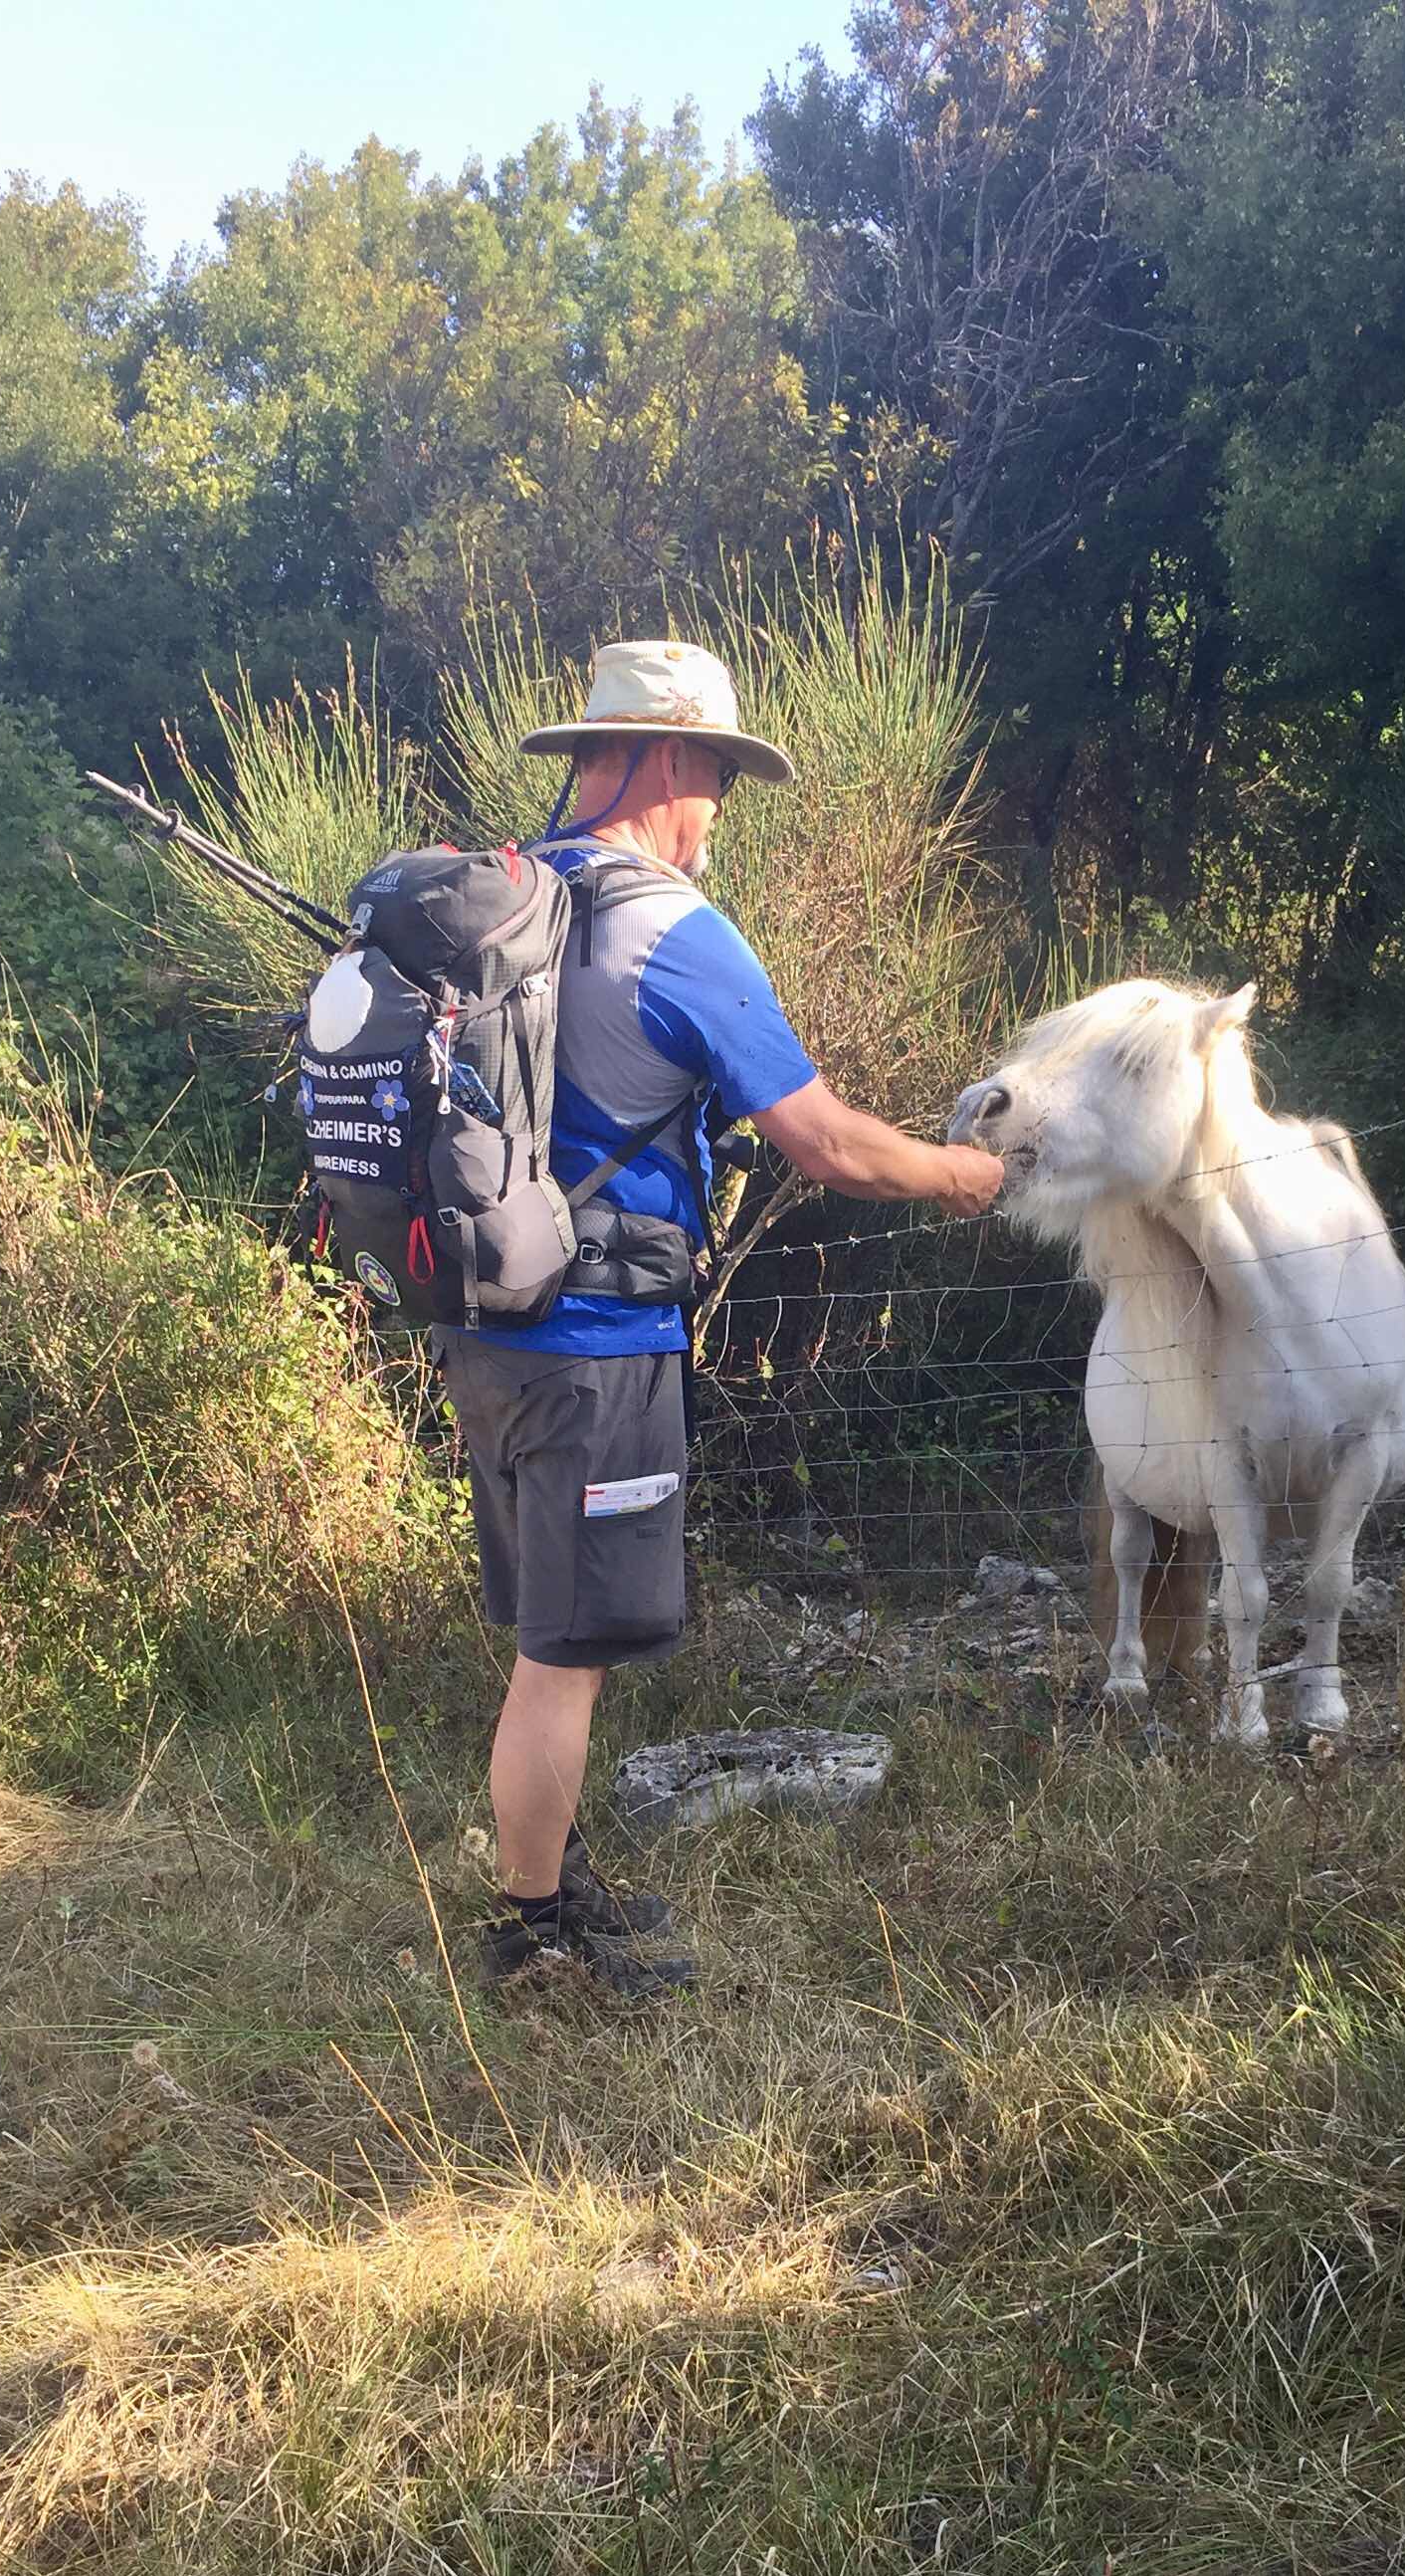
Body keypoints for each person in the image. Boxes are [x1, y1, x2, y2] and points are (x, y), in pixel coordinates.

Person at [441, 637, 1005, 2001]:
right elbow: (826, 1143)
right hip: (599, 1346)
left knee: (549, 1634)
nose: (718, 812)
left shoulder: (508, 903)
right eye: (719, 778)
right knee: (564, 1659)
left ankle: (551, 1874)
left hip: (486, 1330)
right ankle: (533, 1939)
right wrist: (962, 1177)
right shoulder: (674, 933)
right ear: (665, 760)